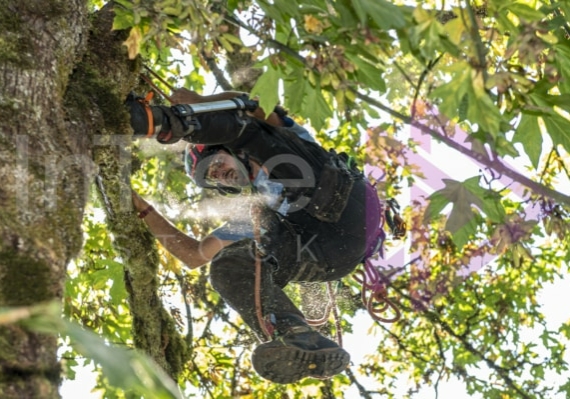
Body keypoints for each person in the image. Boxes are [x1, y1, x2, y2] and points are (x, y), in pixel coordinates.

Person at [126, 88, 385, 384]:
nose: (218, 174)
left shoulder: (281, 139)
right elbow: (194, 254)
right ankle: (297, 337)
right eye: (211, 177)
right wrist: (139, 207)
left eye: (216, 164)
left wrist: (200, 102)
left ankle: (161, 122)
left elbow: (258, 102)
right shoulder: (263, 209)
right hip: (329, 257)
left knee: (248, 130)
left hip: (345, 203)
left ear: (224, 148)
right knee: (228, 265)